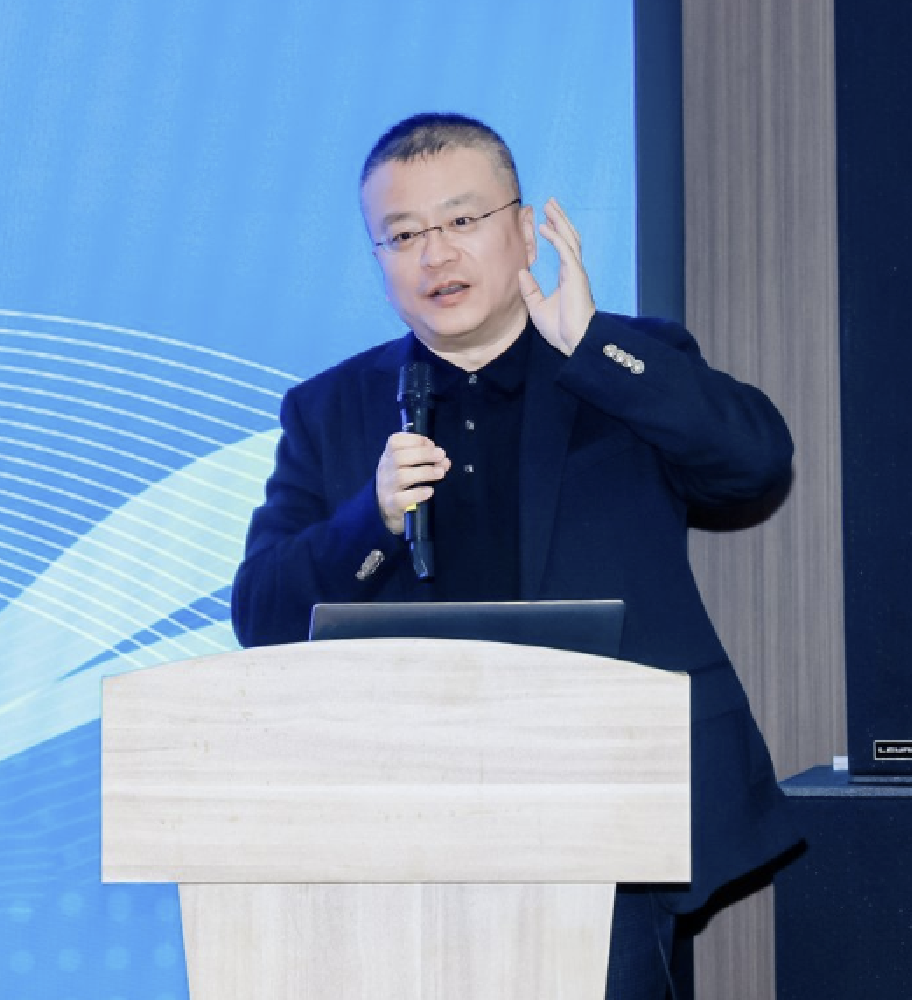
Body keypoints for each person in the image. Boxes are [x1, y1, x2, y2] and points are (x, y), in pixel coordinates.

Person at [231, 112, 800, 999]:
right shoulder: (331, 409)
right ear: (378, 259)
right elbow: (260, 617)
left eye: (462, 220)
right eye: (403, 235)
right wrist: (370, 521)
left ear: (524, 229)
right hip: (399, 825)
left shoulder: (625, 361)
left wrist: (596, 349)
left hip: (609, 815)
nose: (435, 254)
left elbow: (756, 463)